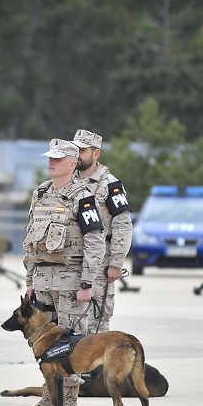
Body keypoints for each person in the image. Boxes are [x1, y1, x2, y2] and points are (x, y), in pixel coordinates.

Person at [19, 138, 106, 406]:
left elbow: (95, 240)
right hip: (43, 282)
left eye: (57, 158)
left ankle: (69, 402)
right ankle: (48, 397)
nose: (50, 162)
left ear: (71, 163)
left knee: (71, 344)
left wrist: (87, 282)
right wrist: (30, 277)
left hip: (71, 283)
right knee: (44, 343)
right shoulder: (41, 194)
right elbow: (31, 238)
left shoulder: (84, 196)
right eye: (49, 158)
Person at [72, 129, 132, 331]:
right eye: (75, 150)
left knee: (97, 319)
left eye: (82, 150)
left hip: (99, 262)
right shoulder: (68, 180)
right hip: (71, 260)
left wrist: (116, 263)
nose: (77, 155)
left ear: (95, 153)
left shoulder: (110, 184)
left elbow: (122, 225)